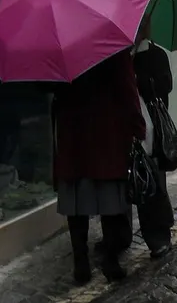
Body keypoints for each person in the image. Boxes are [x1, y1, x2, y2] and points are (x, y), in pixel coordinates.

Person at [54, 49, 146, 285]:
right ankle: (110, 260)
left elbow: (51, 88)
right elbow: (128, 89)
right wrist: (138, 126)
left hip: (73, 134)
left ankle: (81, 263)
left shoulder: (63, 48)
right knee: (110, 201)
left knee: (76, 201)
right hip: (106, 134)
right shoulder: (112, 46)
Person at [132, 19, 175, 259]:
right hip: (132, 130)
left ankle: (159, 236)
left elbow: (165, 87)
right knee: (142, 184)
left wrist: (141, 80)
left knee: (152, 184)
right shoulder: (124, 57)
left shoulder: (155, 55)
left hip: (152, 132)